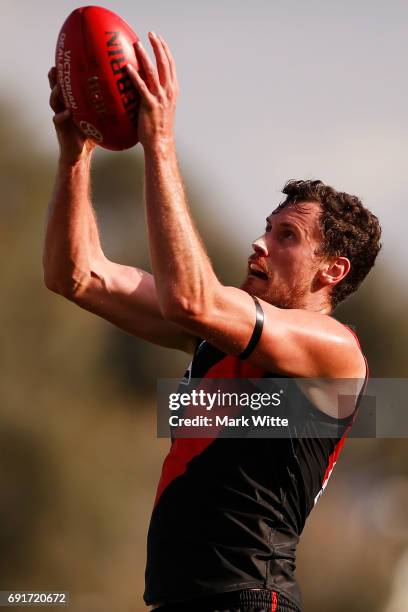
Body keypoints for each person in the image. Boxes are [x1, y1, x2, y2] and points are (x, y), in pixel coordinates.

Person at [44, 32, 382, 612]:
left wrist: (161, 143)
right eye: (267, 226)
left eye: (286, 237)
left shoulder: (335, 351)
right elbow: (77, 275)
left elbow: (192, 301)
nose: (260, 242)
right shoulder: (217, 329)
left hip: (250, 601)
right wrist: (77, 152)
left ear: (333, 271)